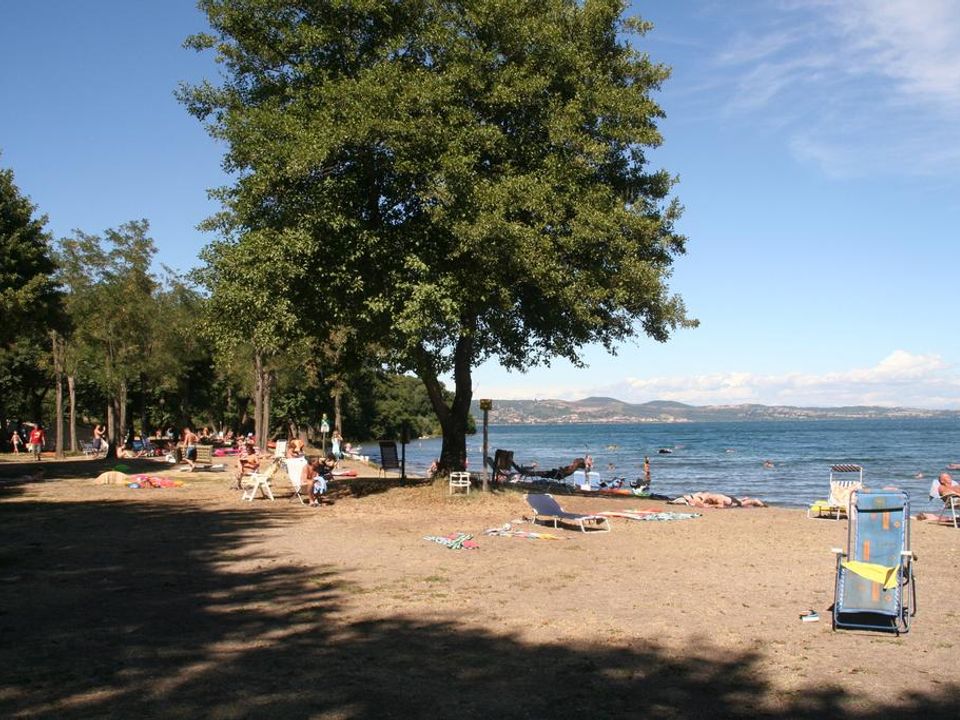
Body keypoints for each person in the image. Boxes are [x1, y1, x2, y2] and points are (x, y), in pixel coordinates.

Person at [669, 492, 766, 508]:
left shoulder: (716, 498)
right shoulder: (708, 496)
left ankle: (755, 501)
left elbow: (721, 506)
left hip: (731, 502)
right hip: (727, 498)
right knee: (740, 501)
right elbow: (701, 500)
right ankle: (744, 498)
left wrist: (709, 506)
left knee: (742, 503)